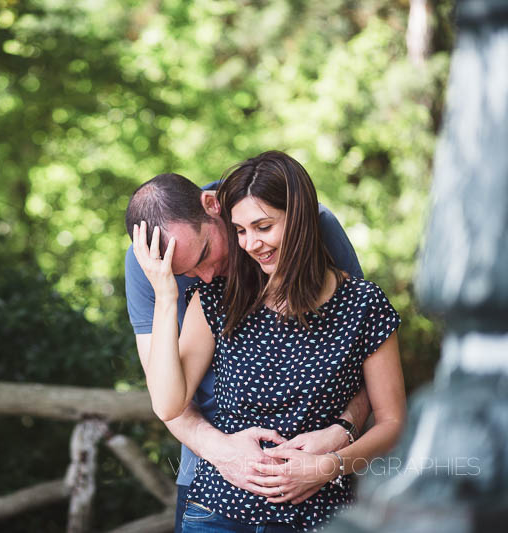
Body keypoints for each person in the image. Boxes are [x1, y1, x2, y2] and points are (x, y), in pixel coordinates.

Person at [132, 151, 406, 531]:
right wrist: (165, 294)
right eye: (241, 231)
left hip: (318, 512)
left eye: (262, 227)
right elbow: (167, 404)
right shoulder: (217, 296)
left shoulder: (362, 303)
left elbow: (391, 420)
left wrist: (332, 461)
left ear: (301, 217)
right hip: (219, 507)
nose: (250, 243)